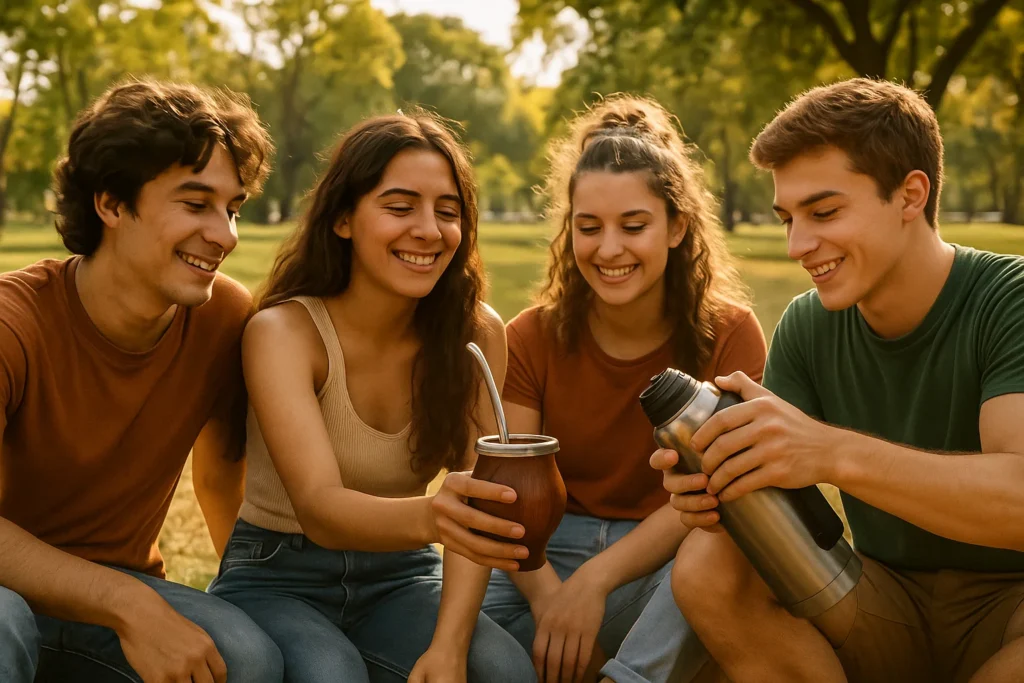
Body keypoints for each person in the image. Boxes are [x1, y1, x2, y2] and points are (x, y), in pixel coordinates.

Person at [656, 78, 1024, 683]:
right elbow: (779, 496)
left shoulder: (1007, 299)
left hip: (1011, 610)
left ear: (910, 195)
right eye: (788, 218)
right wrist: (719, 487)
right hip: (882, 607)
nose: (800, 244)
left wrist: (832, 453)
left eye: (824, 212)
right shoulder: (809, 324)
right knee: (710, 565)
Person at [206, 110, 538, 683]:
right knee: (330, 674)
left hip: (403, 574)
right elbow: (321, 509)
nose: (430, 231)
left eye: (448, 212)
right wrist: (442, 514)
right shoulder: (285, 333)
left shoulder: (476, 333)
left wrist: (451, 647)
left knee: (503, 669)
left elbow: (483, 503)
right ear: (342, 218)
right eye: (400, 207)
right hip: (277, 573)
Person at [0, 78, 285, 682]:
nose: (225, 235)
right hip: (5, 589)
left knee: (245, 656)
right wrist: (128, 605)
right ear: (111, 204)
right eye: (195, 203)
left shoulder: (223, 318)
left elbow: (221, 473)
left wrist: (243, 593)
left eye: (232, 209)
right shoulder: (12, 326)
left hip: (115, 588)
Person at [476, 95, 768, 683]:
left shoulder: (730, 334)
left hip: (668, 562)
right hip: (540, 563)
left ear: (677, 226)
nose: (609, 249)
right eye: (589, 228)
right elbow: (506, 497)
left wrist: (595, 581)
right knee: (468, 645)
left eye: (634, 226)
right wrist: (552, 600)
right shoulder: (529, 336)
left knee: (729, 542)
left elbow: (713, 496)